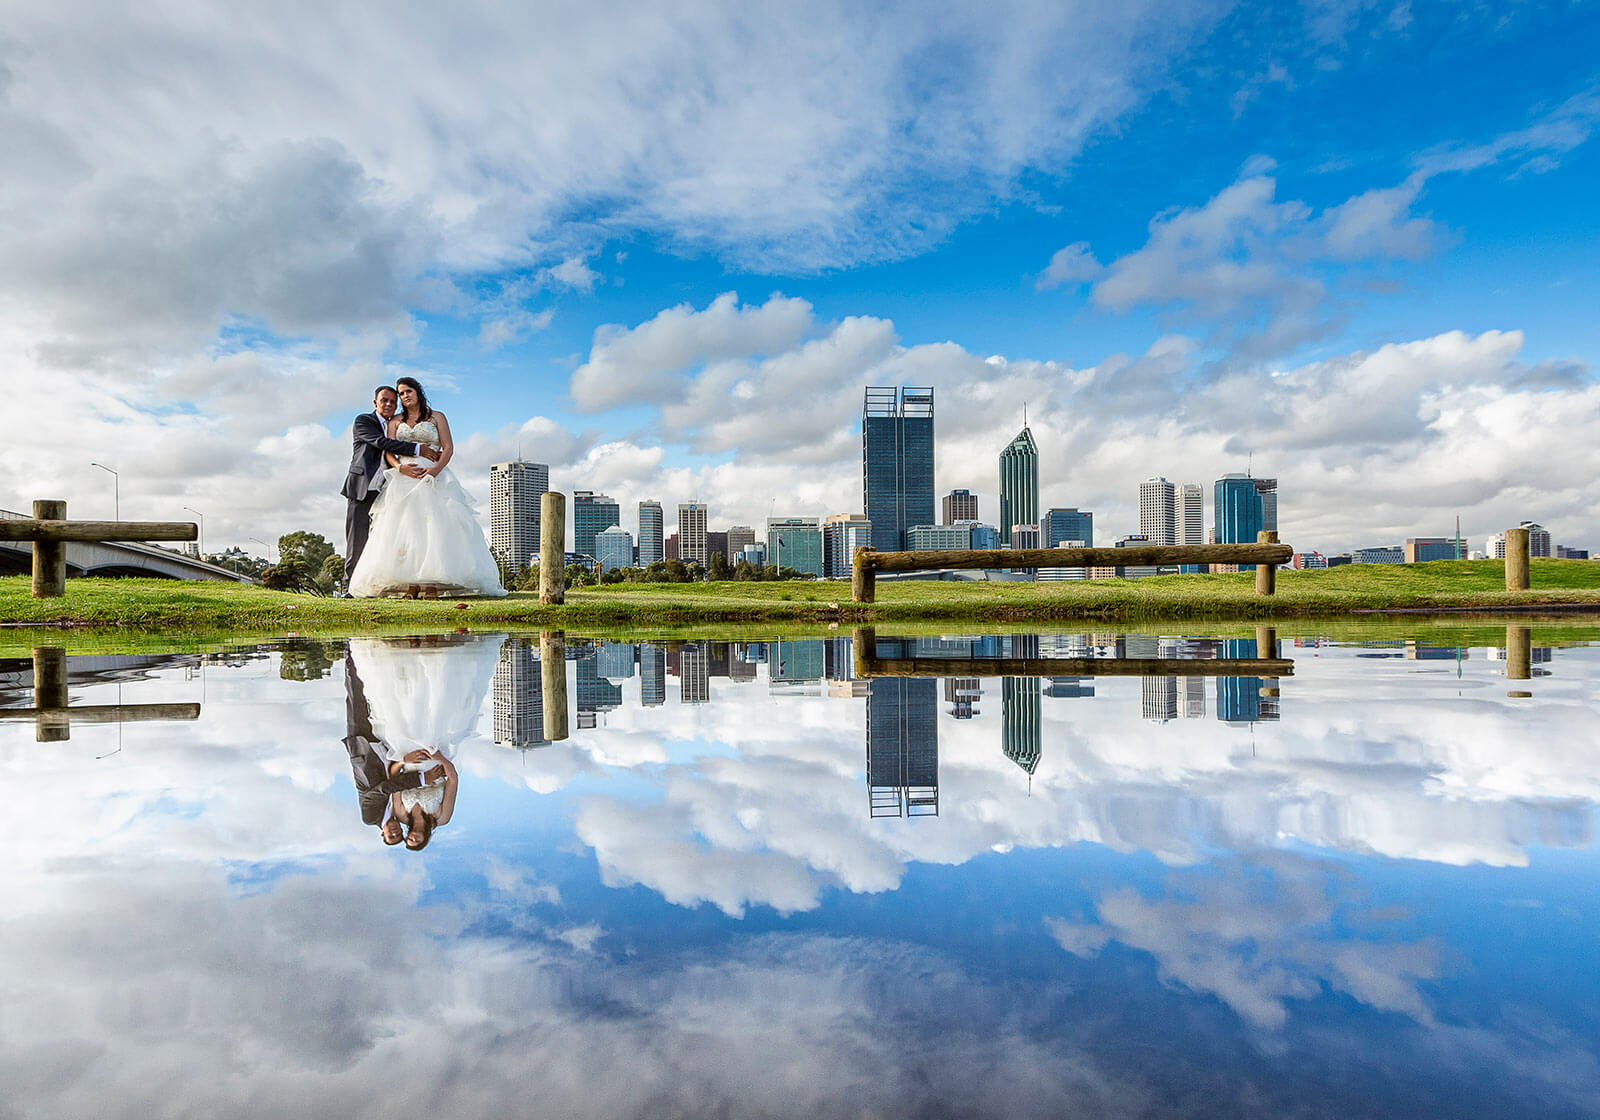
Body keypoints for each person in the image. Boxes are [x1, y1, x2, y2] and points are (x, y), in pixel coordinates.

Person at [347, 376, 507, 598]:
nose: (404, 397)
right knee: (406, 529)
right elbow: (387, 451)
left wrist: (434, 470)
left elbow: (448, 448)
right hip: (404, 478)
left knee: (434, 527)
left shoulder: (437, 417)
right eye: (400, 394)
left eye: (407, 392)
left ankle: (432, 583)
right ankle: (410, 585)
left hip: (433, 477)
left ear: (418, 392)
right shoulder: (395, 421)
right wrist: (400, 469)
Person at [341, 384, 441, 584]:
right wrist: (417, 449)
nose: (388, 404)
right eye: (384, 400)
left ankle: (377, 582)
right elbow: (381, 443)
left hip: (387, 488)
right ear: (375, 402)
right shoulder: (364, 421)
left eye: (392, 402)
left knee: (386, 537)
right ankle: (350, 585)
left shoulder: (395, 424)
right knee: (356, 539)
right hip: (363, 486)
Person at [341, 651, 427, 844]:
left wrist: (421, 779)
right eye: (399, 835)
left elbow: (383, 789)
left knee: (357, 695)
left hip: (365, 747)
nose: (396, 832)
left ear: (382, 834)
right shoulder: (399, 810)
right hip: (387, 744)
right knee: (379, 694)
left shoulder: (370, 817)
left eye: (391, 836)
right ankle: (377, 651)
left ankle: (351, 650)